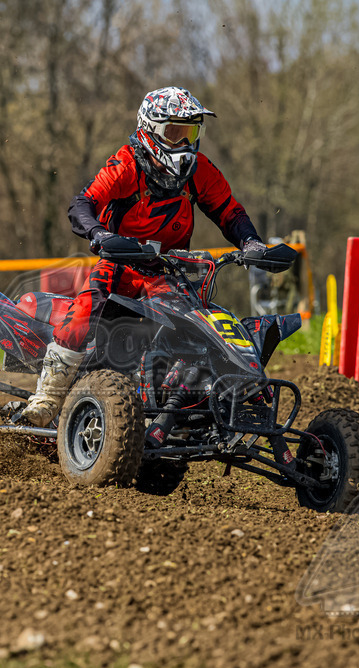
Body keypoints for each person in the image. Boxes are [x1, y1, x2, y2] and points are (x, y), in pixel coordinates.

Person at [20, 86, 268, 427]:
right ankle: (46, 399)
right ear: (150, 130)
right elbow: (82, 204)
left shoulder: (199, 170)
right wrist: (100, 234)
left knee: (192, 328)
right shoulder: (126, 164)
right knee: (83, 313)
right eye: (174, 132)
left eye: (191, 133)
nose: (183, 143)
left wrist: (251, 242)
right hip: (118, 263)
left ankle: (181, 404)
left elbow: (229, 212)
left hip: (167, 270)